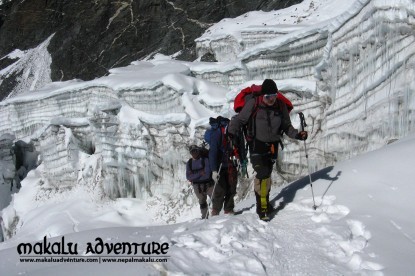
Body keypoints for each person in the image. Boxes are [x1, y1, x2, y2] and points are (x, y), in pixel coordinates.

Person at [227, 79, 308, 221]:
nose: (271, 100)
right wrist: (231, 132)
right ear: (262, 96)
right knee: (263, 172)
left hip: (272, 146)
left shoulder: (280, 106)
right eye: (268, 97)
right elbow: (239, 120)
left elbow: (286, 126)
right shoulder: (254, 104)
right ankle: (262, 208)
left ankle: (263, 202)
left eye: (273, 96)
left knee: (267, 174)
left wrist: (298, 135)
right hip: (256, 144)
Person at [207, 117, 238, 216]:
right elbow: (213, 153)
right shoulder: (217, 134)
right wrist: (214, 170)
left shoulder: (231, 133)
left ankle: (228, 209)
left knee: (231, 188)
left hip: (229, 164)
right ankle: (216, 211)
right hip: (219, 165)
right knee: (220, 190)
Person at [186, 145, 213, 219]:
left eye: (195, 151)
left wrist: (195, 176)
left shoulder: (205, 160)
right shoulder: (189, 163)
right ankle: (204, 217)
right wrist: (200, 173)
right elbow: (188, 177)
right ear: (190, 153)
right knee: (202, 202)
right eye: (192, 152)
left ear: (198, 151)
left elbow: (207, 174)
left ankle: (217, 214)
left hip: (208, 184)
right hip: (197, 187)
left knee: (215, 198)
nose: (194, 153)